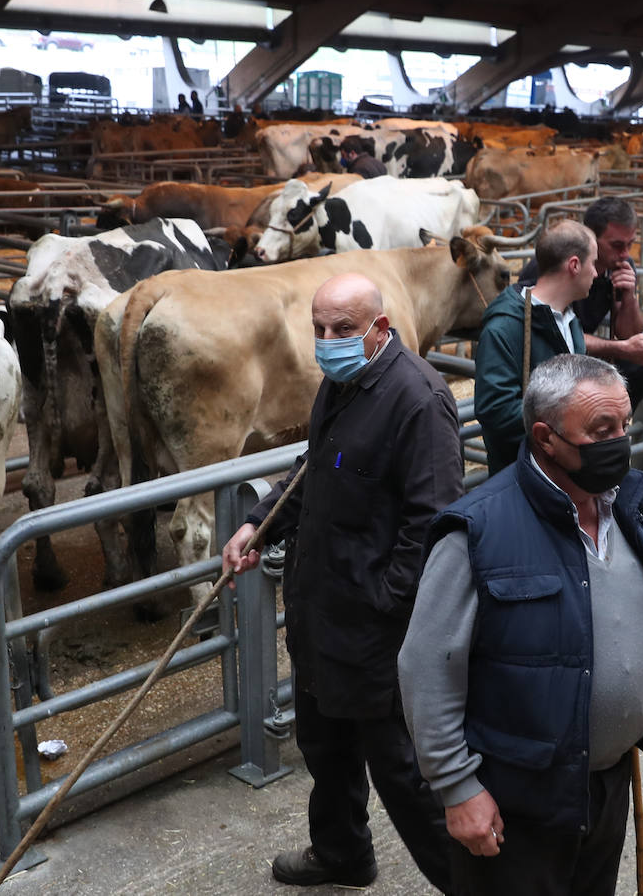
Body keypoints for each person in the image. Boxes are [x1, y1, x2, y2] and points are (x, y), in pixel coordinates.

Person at [399, 353, 643, 896]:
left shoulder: (630, 505)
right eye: (601, 430)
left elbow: (626, 599)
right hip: (518, 802)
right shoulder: (479, 530)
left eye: (625, 424)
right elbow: (425, 668)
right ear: (546, 437)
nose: (621, 441)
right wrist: (457, 787)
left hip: (606, 786)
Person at [221, 273, 462, 891]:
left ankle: (473, 885)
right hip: (320, 614)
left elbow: (432, 525)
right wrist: (259, 525)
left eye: (343, 330)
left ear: (380, 329)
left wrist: (385, 606)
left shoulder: (419, 401)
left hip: (376, 632)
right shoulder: (341, 384)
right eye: (320, 329)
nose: (327, 341)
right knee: (325, 749)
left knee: (403, 774)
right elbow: (312, 472)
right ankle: (341, 853)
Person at [516, 197, 643, 411]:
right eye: (616, 245)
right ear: (591, 239)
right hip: (549, 359)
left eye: (630, 244)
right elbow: (557, 334)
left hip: (584, 356)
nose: (625, 254)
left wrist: (628, 297)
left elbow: (628, 333)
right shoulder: (558, 264)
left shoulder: (621, 265)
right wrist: (622, 348)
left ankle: (608, 423)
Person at [474, 220, 596, 474]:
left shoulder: (569, 319)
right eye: (592, 263)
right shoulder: (505, 327)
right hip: (524, 476)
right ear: (574, 265)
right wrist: (575, 416)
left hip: (566, 473)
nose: (595, 273)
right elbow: (496, 412)